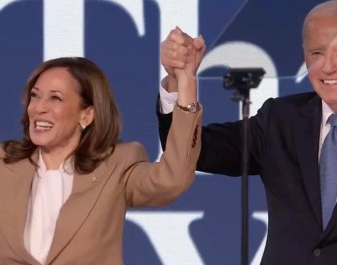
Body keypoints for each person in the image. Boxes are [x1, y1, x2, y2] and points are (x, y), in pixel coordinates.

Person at [157, 0, 337, 264]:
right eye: (317, 53)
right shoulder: (280, 120)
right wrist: (179, 82)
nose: (328, 67)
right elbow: (192, 151)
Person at [0, 56, 202, 264]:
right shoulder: (4, 163)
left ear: (86, 115)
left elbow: (172, 179)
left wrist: (185, 83)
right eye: (35, 96)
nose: (38, 108)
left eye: (55, 98)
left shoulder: (117, 165)